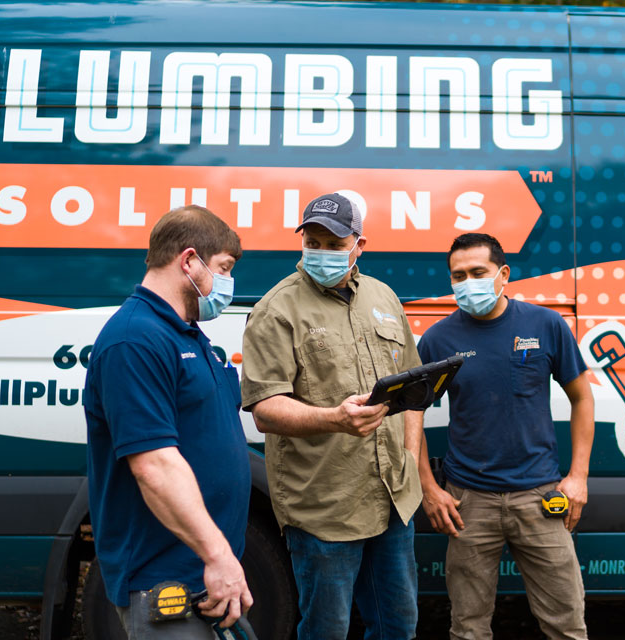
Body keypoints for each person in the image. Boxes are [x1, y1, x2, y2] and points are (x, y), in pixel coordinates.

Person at [240, 192, 423, 640]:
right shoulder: (275, 310)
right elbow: (265, 410)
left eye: (334, 243)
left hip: (392, 498)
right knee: (327, 630)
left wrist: (412, 460)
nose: (321, 252)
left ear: (360, 245)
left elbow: (413, 388)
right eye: (313, 241)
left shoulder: (383, 297)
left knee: (398, 626)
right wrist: (335, 419)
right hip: (325, 506)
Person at [83, 206, 253, 639]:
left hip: (206, 578)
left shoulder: (188, 334)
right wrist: (217, 555)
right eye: (224, 268)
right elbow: (154, 465)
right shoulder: (134, 340)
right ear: (189, 260)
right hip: (165, 583)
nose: (228, 283)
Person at [416, 232, 594, 640]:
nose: (468, 282)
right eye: (458, 275)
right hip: (468, 504)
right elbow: (410, 417)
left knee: (566, 626)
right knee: (468, 630)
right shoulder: (438, 341)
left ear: (503, 274)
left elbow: (582, 398)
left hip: (542, 498)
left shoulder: (545, 325)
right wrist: (429, 487)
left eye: (478, 272)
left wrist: (578, 477)